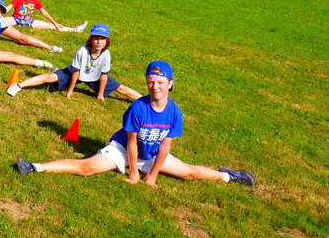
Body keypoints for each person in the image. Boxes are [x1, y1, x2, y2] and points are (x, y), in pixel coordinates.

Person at [16, 61, 257, 188]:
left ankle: (230, 176)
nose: (155, 87)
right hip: (123, 149)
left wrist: (152, 174)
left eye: (160, 82)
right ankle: (34, 166)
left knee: (190, 173)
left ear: (170, 84)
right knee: (87, 168)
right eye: (151, 82)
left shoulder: (174, 112)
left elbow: (165, 147)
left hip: (151, 155)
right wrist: (133, 172)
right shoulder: (137, 108)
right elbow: (131, 143)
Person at [7, 24, 141, 99]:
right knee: (51, 77)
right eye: (96, 38)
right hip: (75, 73)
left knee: (121, 88)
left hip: (94, 76)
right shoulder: (83, 51)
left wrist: (100, 94)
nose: (99, 42)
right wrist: (70, 90)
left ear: (107, 41)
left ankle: (147, 101)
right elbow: (76, 73)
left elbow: (104, 76)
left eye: (102, 39)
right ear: (91, 39)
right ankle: (18, 86)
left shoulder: (106, 54)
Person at [4, 0, 87, 33]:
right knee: (0, 21)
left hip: (28, 21)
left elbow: (43, 12)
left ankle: (75, 30)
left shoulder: (35, 0)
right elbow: (8, 7)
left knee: (52, 26)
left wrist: (54, 22)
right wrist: (0, 12)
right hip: (16, 19)